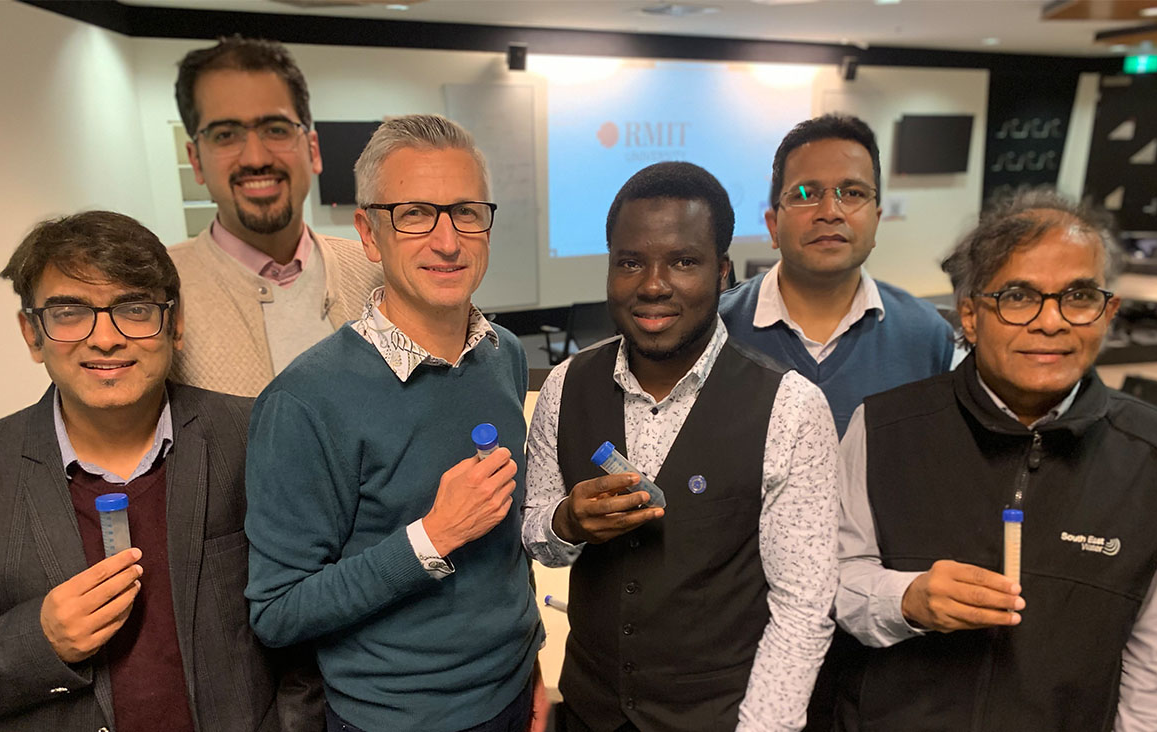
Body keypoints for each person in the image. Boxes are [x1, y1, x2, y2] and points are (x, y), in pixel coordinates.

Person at [0, 211, 319, 731]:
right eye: (69, 312)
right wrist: (39, 642)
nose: (105, 339)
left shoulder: (254, 435)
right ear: (32, 334)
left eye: (134, 308)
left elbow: (306, 627)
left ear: (175, 324)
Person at [834, 189, 1157, 730]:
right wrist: (908, 599)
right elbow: (838, 579)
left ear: (1108, 312)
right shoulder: (883, 428)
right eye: (1019, 296)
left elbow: (1156, 672)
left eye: (1079, 296)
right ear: (970, 315)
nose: (1052, 322)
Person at [244, 114, 545, 732]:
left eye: (466, 212)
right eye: (414, 214)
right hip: (394, 719)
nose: (447, 241)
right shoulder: (304, 401)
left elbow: (505, 547)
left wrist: (532, 656)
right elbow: (277, 611)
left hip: (514, 692)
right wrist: (430, 538)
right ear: (370, 233)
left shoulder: (504, 355)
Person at [522, 161, 838, 731]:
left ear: (723, 273)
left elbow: (803, 609)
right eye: (630, 262)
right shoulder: (563, 388)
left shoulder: (791, 409)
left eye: (683, 262)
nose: (652, 284)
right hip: (590, 712)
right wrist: (566, 522)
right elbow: (539, 542)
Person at [170, 36, 382, 396]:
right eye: (225, 135)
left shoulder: (376, 275)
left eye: (276, 130)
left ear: (313, 150)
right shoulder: (158, 292)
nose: (255, 158)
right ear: (196, 160)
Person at [719, 113, 954, 436]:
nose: (830, 212)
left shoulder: (927, 335)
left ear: (876, 220)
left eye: (853, 193)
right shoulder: (719, 327)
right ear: (773, 225)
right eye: (805, 194)